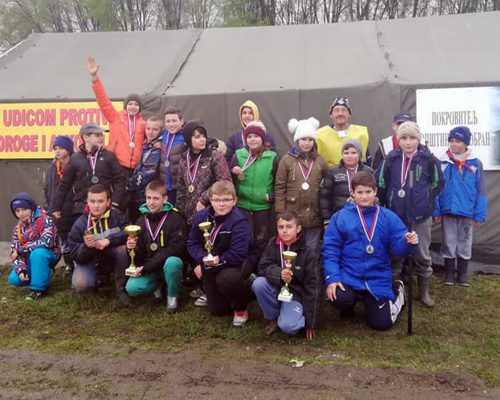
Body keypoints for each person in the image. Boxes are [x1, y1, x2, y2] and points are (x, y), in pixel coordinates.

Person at [323, 171, 418, 331]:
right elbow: (330, 249)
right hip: (350, 274)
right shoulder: (340, 217)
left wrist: (408, 243)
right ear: (352, 193)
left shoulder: (388, 217)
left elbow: (399, 249)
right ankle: (348, 305)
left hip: (377, 276)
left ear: (375, 191)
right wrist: (332, 277)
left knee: (382, 324)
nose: (364, 196)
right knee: (337, 297)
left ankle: (398, 292)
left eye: (368, 192)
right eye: (360, 192)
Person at [376, 121, 445, 308]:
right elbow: (381, 183)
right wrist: (387, 203)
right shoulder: (391, 159)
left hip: (420, 217)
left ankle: (424, 292)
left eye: (412, 138)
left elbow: (439, 182)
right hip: (396, 216)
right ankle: (396, 289)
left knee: (422, 254)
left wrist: (426, 198)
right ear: (398, 140)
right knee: (396, 253)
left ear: (418, 139)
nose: (408, 142)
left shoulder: (429, 159)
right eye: (404, 138)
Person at [115, 180, 186, 312]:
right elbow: (139, 255)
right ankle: (159, 286)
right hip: (150, 268)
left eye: (156, 198)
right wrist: (132, 248)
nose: (151, 202)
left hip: (166, 265)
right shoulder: (141, 221)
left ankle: (172, 296)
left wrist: (145, 268)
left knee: (173, 262)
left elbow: (175, 249)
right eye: (148, 198)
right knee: (132, 288)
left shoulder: (175, 219)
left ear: (165, 199)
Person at [187, 181, 251, 327]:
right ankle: (231, 292)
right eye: (217, 200)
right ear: (210, 200)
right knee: (218, 310)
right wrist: (201, 259)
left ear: (234, 200)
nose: (221, 204)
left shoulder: (239, 221)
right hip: (209, 263)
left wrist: (215, 261)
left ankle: (241, 307)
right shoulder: (202, 216)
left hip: (232, 264)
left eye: (226, 200)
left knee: (228, 278)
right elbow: (192, 242)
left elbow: (237, 254)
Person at [252, 211, 321, 339]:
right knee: (259, 283)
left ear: (298, 228)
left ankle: (293, 315)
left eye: (289, 227)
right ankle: (273, 318)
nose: (284, 231)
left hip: (295, 294)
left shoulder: (307, 252)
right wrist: (279, 274)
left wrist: (311, 323)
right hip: (275, 288)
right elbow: (262, 267)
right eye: (281, 227)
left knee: (289, 327)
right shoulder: (272, 244)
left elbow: (313, 287)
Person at [433, 126, 487, 287]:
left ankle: (462, 275)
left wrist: (479, 214)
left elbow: (481, 190)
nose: (454, 144)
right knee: (448, 241)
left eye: (458, 141)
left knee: (465, 242)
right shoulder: (442, 162)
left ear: (466, 143)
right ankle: (449, 274)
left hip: (467, 212)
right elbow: (436, 188)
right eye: (451, 140)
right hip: (448, 210)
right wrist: (436, 211)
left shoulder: (476, 163)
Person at [50, 123, 127, 222]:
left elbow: (120, 180)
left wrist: (115, 203)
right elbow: (65, 184)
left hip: (105, 207)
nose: (101, 138)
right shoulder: (75, 158)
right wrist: (56, 207)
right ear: (86, 138)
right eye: (97, 135)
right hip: (81, 208)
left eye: (102, 135)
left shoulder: (109, 156)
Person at [275, 117, 328, 256]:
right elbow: (279, 188)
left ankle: (311, 271)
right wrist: (281, 214)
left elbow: (327, 188)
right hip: (292, 216)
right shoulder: (286, 160)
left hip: (314, 217)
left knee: (311, 251)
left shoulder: (320, 161)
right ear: (297, 140)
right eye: (303, 139)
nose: (307, 143)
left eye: (310, 139)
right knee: (292, 252)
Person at [86, 56, 145, 173]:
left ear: (140, 108)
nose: (133, 107)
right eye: (130, 104)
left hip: (136, 168)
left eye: (136, 104)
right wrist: (94, 77)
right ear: (125, 106)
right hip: (116, 165)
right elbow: (103, 101)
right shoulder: (115, 118)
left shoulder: (143, 124)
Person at [67, 184, 129, 293]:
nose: (96, 206)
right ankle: (94, 281)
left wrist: (109, 240)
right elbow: (75, 255)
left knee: (124, 250)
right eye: (92, 201)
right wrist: (86, 247)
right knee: (81, 285)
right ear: (87, 202)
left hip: (113, 258)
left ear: (108, 201)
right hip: (90, 261)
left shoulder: (117, 215)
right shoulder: (79, 224)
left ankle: (121, 289)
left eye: (100, 201)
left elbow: (128, 231)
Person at [231, 121, 279, 256]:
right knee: (243, 239)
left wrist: (271, 196)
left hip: (263, 207)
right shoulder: (238, 155)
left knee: (261, 240)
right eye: (249, 136)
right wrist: (232, 171)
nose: (252, 139)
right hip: (242, 205)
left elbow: (279, 182)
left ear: (262, 138)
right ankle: (243, 267)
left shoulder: (272, 157)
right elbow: (228, 179)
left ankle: (260, 266)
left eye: (256, 136)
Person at [176, 120, 231, 227]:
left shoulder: (215, 157)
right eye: (197, 137)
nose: (202, 139)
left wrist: (203, 199)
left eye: (203, 136)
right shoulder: (184, 158)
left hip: (210, 209)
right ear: (188, 139)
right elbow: (181, 186)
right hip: (189, 213)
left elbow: (225, 182)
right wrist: (180, 211)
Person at [7, 193, 59, 300]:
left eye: (24, 209)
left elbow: (46, 242)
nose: (21, 214)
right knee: (14, 279)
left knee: (38, 253)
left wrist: (21, 249)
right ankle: (40, 277)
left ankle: (37, 289)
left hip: (48, 254)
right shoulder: (17, 229)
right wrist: (21, 270)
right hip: (29, 257)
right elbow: (14, 253)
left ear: (31, 207)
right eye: (17, 211)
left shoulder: (46, 219)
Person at [319, 139, 373, 224]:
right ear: (342, 155)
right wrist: (327, 220)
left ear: (359, 155)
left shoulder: (368, 171)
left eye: (353, 153)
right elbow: (325, 198)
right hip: (339, 217)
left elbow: (374, 195)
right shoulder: (333, 172)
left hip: (364, 217)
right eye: (346, 153)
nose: (349, 156)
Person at [43, 135, 75, 276]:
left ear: (69, 149)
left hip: (72, 209)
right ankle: (69, 265)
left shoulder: (76, 164)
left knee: (74, 236)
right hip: (56, 210)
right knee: (62, 239)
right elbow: (48, 189)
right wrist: (51, 207)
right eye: (55, 148)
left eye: (61, 148)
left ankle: (78, 265)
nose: (57, 151)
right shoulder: (51, 167)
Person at [126, 116, 164, 221]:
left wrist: (127, 185)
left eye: (155, 129)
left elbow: (146, 175)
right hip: (137, 194)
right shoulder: (144, 143)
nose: (150, 132)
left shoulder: (156, 150)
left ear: (161, 131)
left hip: (146, 195)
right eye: (148, 128)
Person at [316, 96, 370, 167]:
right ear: (331, 115)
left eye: (344, 110)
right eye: (336, 110)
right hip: (330, 172)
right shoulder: (320, 135)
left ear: (349, 114)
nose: (340, 113)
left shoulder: (360, 134)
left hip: (356, 173)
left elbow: (366, 161)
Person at [159, 106, 187, 206]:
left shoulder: (187, 135)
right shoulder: (163, 134)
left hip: (180, 187)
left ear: (181, 121)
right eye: (168, 121)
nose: (171, 124)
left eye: (174, 121)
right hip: (165, 186)